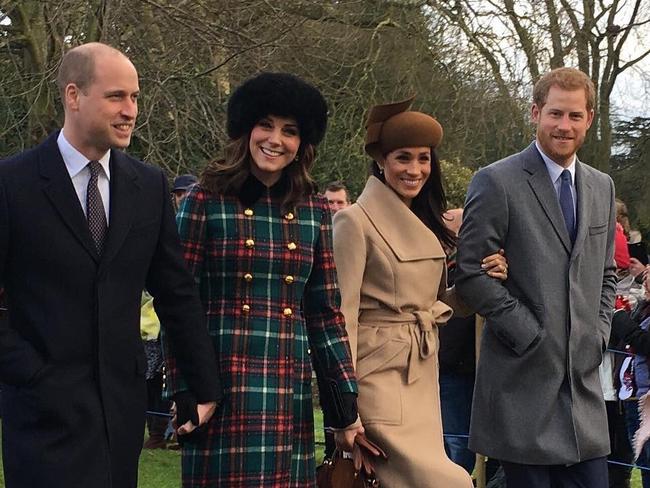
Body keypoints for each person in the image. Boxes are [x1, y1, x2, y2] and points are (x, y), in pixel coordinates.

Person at [0, 42, 220, 488]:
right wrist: (33, 374)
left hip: (120, 415)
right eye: (117, 96)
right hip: (41, 419)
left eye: (135, 97)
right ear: (73, 95)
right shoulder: (11, 184)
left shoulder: (149, 185)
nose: (130, 111)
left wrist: (202, 384)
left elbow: (175, 291)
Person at [164, 72, 361, 487]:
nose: (275, 139)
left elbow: (325, 314)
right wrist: (188, 389)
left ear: (302, 144)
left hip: (286, 396)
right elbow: (179, 304)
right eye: (266, 125)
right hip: (218, 393)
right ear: (246, 129)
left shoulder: (315, 211)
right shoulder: (204, 200)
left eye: (289, 131)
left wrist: (345, 408)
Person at [332, 97, 508, 488]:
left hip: (423, 375)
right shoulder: (353, 222)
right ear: (381, 160)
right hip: (376, 383)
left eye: (423, 159)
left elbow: (435, 306)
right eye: (403, 158)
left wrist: (482, 278)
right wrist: (345, 407)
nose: (415, 170)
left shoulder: (424, 222)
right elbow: (341, 317)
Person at [455, 67, 617, 488]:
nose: (564, 126)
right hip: (520, 390)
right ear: (535, 112)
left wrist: (596, 334)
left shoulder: (602, 187)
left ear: (590, 119)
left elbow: (606, 273)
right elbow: (472, 273)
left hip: (582, 398)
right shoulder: (496, 181)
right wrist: (529, 332)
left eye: (575, 116)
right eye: (555, 114)